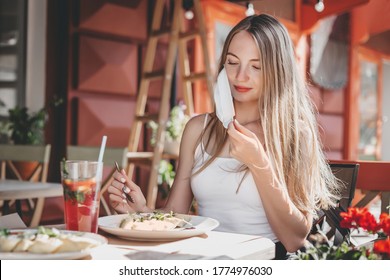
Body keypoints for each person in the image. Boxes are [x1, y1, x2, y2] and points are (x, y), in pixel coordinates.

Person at [108, 14, 340, 257]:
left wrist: (259, 164)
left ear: (277, 70)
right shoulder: (198, 129)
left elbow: (295, 238)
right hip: (203, 260)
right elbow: (176, 214)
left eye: (256, 66)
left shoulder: (294, 134)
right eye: (232, 62)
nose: (240, 76)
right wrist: (142, 212)